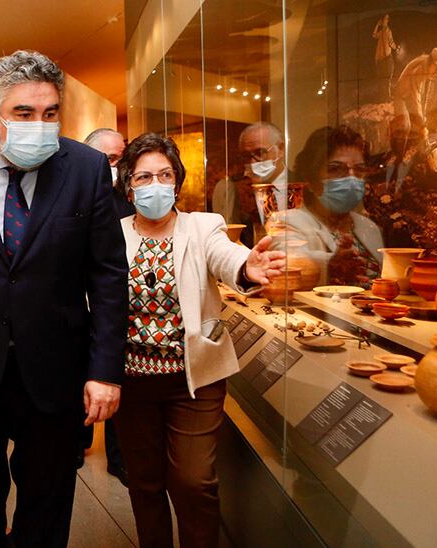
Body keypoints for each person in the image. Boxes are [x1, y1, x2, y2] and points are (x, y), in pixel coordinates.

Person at [0, 50, 128, 547]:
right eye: (24, 113)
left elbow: (107, 276)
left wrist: (104, 370)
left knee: (48, 496)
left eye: (50, 113)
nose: (40, 124)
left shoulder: (85, 167)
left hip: (55, 367)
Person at [114, 132, 285, 548]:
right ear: (127, 186)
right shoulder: (110, 235)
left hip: (194, 379)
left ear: (177, 180)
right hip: (131, 380)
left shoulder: (203, 226)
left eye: (164, 174)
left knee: (194, 482)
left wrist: (248, 265)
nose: (155, 185)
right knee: (145, 482)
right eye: (143, 177)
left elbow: (226, 255)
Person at [82, 127, 129, 485]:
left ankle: (118, 459)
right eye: (110, 160)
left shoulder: (128, 201)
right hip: (75, 315)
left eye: (120, 159)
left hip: (113, 310)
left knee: (110, 379)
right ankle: (78, 443)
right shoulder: (74, 197)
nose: (116, 167)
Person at [280, 126, 383, 287]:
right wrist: (329, 265)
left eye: (359, 170)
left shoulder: (369, 227)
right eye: (335, 169)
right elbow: (287, 265)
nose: (351, 178)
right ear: (311, 181)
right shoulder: (288, 222)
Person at [84, 128, 133, 219]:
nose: (118, 165)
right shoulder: (77, 194)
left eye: (122, 159)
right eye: (110, 158)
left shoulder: (129, 195)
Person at [392, 48, 437, 135]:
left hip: (408, 98)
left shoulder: (426, 67)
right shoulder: (420, 70)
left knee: (416, 125)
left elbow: (423, 97)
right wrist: (421, 123)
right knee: (405, 126)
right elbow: (416, 97)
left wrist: (422, 116)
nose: (435, 73)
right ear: (431, 63)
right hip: (401, 97)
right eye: (435, 69)